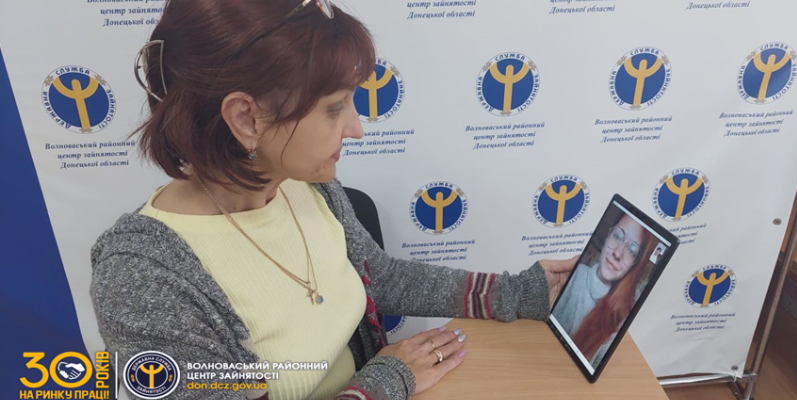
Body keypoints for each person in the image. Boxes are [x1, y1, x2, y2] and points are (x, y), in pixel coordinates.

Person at [89, 1, 577, 399]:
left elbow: (380, 278)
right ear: (246, 119)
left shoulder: (304, 186)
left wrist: (520, 292)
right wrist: (384, 384)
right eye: (334, 107)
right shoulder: (141, 279)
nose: (357, 128)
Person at [552, 213, 656, 367]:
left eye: (632, 250)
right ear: (608, 236)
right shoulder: (568, 277)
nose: (618, 253)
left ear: (635, 265)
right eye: (617, 236)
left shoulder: (618, 319)